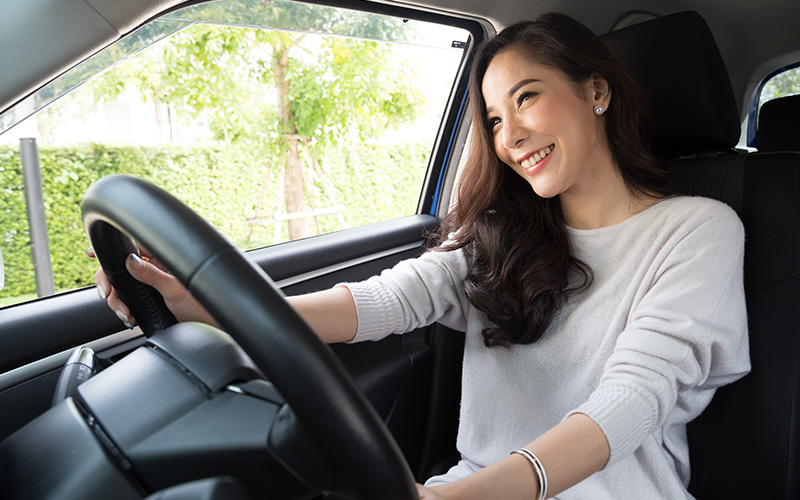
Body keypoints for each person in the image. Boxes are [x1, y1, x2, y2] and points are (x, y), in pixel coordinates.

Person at [93, 13, 750, 500]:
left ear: (595, 92)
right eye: (492, 119)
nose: (511, 135)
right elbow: (383, 300)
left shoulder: (696, 230)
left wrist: (447, 498)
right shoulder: (506, 231)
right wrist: (202, 307)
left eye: (527, 98)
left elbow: (633, 399)